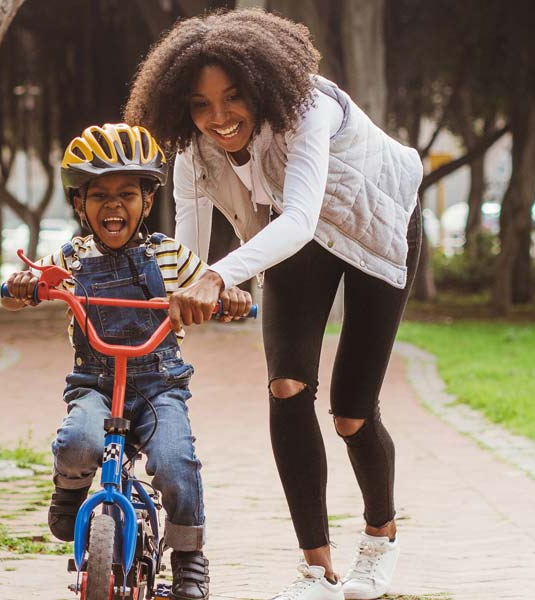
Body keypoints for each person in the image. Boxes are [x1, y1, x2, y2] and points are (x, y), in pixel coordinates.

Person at [122, 9, 425, 600]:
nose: (219, 118)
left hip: (378, 225)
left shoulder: (309, 109)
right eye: (200, 105)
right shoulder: (193, 155)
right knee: (286, 386)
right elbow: (188, 251)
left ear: (262, 86)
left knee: (352, 412)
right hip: (296, 240)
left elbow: (301, 216)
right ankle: (317, 569)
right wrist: (186, 291)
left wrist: (219, 275)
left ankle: (379, 538)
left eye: (233, 98)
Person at [2, 123, 251, 600]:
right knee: (77, 440)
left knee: (177, 463)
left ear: (148, 200)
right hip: (95, 383)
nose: (113, 205)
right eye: (99, 195)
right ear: (80, 204)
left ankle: (188, 559)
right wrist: (23, 288)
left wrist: (228, 295)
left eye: (125, 193)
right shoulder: (72, 258)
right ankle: (72, 490)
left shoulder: (169, 255)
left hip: (158, 385)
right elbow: (24, 294)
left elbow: (209, 287)